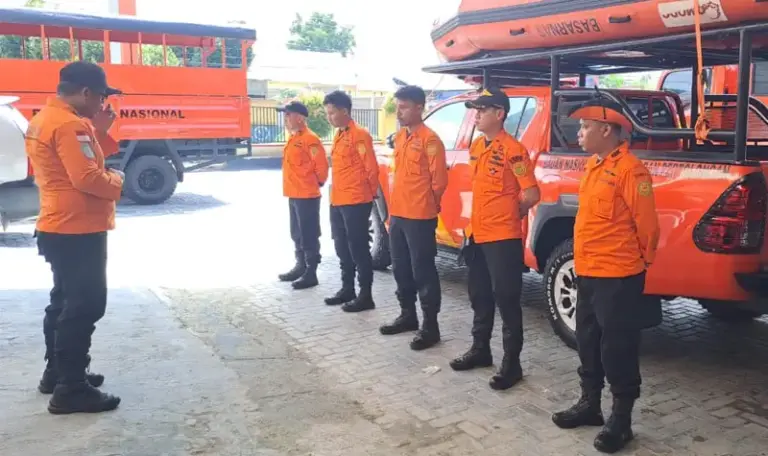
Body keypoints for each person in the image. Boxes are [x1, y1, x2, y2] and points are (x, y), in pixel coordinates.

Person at [551, 96, 660, 454]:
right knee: (587, 341)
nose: (579, 132)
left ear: (606, 130)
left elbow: (648, 227)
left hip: (618, 276)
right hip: (589, 272)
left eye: (585, 127)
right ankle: (590, 405)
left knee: (618, 349)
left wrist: (640, 265)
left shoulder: (631, 170)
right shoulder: (595, 166)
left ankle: (621, 420)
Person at [26, 61, 125, 414]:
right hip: (77, 227)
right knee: (85, 305)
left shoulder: (46, 118)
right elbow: (88, 178)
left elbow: (71, 166)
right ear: (86, 93)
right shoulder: (70, 126)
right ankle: (71, 387)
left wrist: (97, 131)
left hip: (58, 226)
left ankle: (58, 372)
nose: (103, 104)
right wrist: (118, 181)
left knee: (64, 301)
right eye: (101, 97)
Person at [448, 87, 540, 391]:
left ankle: (511, 364)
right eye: (475, 109)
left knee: (507, 300)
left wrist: (512, 212)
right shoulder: (477, 146)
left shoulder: (514, 150)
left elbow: (531, 193)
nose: (476, 115)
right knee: (479, 295)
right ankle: (480, 349)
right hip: (477, 234)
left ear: (499, 114)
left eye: (482, 110)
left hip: (502, 237)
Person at [378, 85, 448, 351]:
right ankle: (408, 315)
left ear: (419, 108)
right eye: (397, 106)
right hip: (399, 214)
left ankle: (430, 326)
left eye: (404, 106)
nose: (399, 111)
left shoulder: (430, 140)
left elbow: (439, 182)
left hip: (419, 216)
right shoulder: (400, 137)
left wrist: (428, 206)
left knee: (423, 271)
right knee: (401, 267)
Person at [322, 90, 380, 313]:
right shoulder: (339, 134)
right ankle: (347, 289)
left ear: (344, 111)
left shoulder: (360, 135)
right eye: (327, 113)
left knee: (358, 248)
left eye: (332, 113)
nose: (329, 117)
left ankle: (365, 295)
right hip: (338, 199)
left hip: (356, 200)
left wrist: (369, 195)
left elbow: (371, 168)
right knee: (341, 245)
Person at [277, 101, 329, 290]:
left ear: (300, 117)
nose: (286, 119)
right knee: (296, 233)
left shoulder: (310, 139)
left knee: (309, 234)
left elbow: (321, 167)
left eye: (288, 115)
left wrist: (316, 184)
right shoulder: (293, 138)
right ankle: (300, 266)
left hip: (307, 195)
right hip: (293, 193)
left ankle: (311, 272)